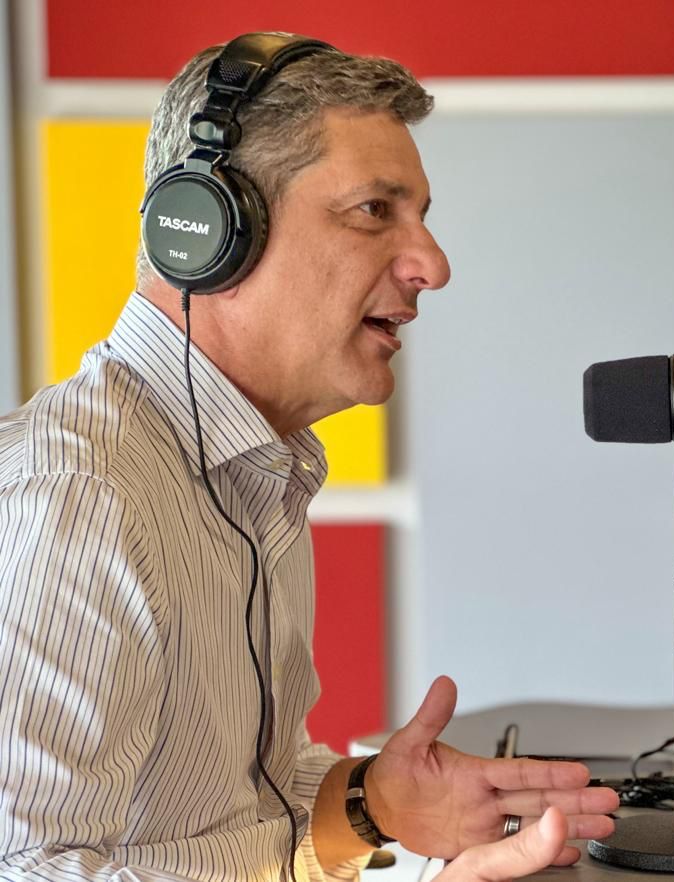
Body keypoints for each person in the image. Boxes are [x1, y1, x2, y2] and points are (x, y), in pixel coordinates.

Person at [0, 34, 617, 881]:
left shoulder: (255, 471)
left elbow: (234, 812)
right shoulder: (80, 499)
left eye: (421, 216)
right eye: (374, 211)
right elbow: (28, 867)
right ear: (209, 232)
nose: (433, 265)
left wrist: (372, 803)